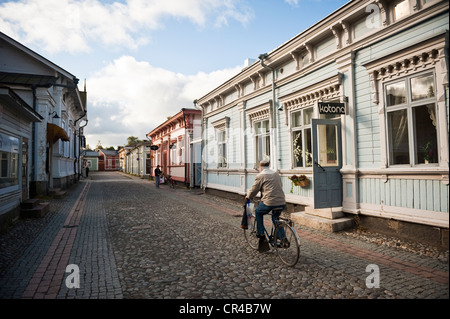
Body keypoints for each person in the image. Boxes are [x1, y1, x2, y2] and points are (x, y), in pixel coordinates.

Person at [244, 159, 286, 252]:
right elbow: (279, 186)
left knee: (258, 212)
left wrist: (248, 197)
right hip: (282, 201)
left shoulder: (260, 176)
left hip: (269, 202)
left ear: (260, 167)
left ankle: (261, 234)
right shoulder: (275, 174)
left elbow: (255, 189)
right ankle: (282, 237)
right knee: (276, 218)